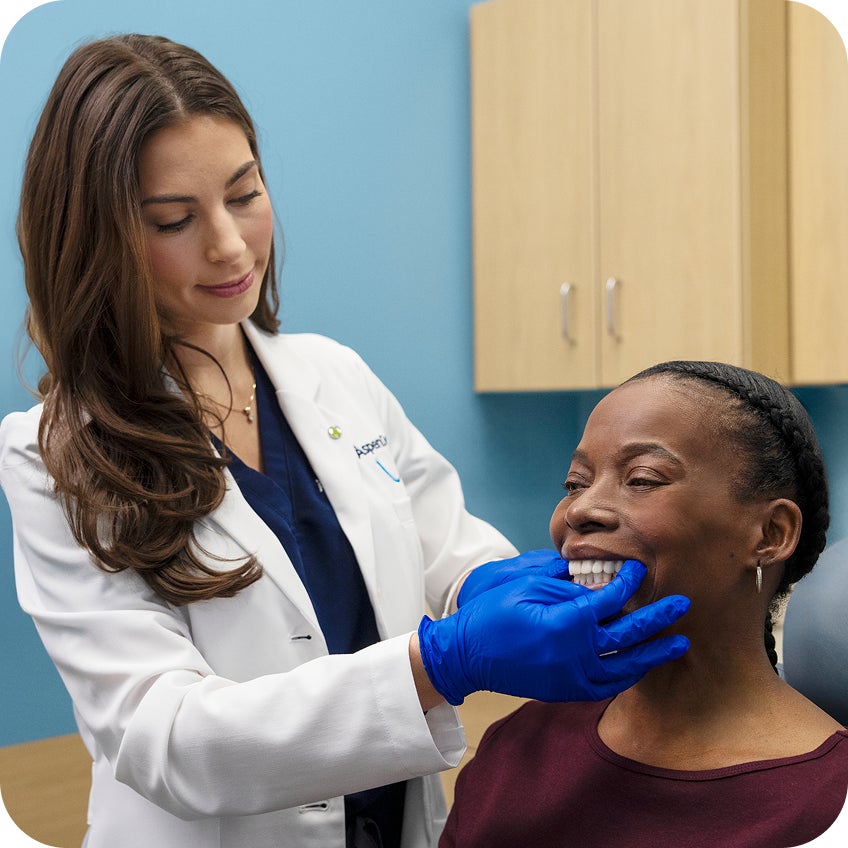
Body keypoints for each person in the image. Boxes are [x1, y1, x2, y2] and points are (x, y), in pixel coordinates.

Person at [0, 34, 690, 848]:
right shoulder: (51, 453)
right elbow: (166, 738)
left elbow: (444, 550)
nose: (228, 244)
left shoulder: (333, 374)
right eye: (175, 220)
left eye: (245, 193)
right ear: (95, 237)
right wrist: (442, 664)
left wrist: (493, 588)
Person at [440, 360, 848, 848]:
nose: (581, 509)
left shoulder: (830, 805)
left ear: (770, 534)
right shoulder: (518, 747)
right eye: (574, 484)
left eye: (643, 479)